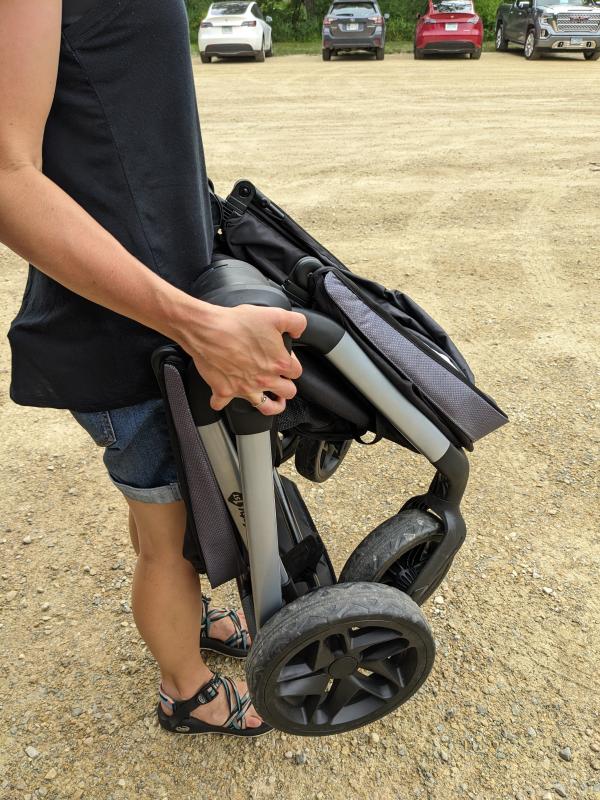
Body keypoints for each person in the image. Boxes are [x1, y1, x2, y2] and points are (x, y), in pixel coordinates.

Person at [0, 0, 306, 737]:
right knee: (165, 532)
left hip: (164, 313)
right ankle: (186, 691)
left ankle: (190, 620)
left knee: (172, 507)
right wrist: (196, 325)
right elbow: (7, 177)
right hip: (128, 330)